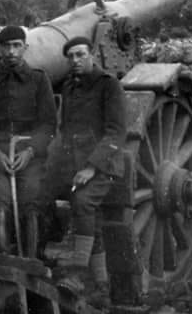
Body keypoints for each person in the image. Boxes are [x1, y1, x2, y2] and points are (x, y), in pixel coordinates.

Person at [45, 36, 127, 304]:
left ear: (92, 55)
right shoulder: (69, 86)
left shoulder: (108, 85)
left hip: (104, 165)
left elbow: (116, 131)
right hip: (74, 162)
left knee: (82, 203)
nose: (75, 61)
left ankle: (78, 275)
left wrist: (91, 168)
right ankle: (103, 288)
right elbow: (66, 130)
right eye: (70, 57)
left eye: (80, 55)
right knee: (89, 220)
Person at [0, 26, 56, 257]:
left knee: (31, 198)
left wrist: (30, 152)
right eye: (6, 47)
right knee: (0, 199)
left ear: (25, 48)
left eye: (17, 46)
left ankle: (31, 257)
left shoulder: (39, 79)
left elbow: (49, 124)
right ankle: (4, 255)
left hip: (30, 150)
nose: (11, 52)